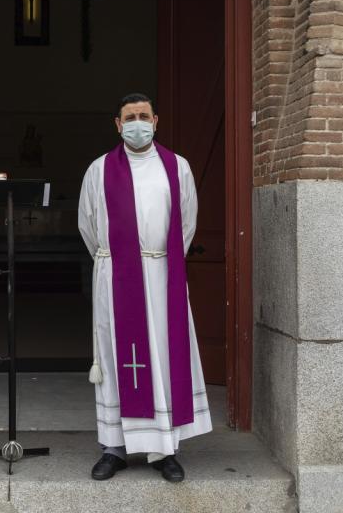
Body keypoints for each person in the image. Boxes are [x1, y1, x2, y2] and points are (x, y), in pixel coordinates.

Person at [77, 93, 212, 483]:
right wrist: (118, 262)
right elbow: (88, 225)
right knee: (116, 356)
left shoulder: (177, 167)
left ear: (156, 120)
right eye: (129, 118)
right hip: (116, 277)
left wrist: (156, 259)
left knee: (165, 358)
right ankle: (114, 448)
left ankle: (164, 449)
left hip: (161, 272)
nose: (138, 123)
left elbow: (186, 221)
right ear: (118, 125)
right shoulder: (99, 170)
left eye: (143, 116)